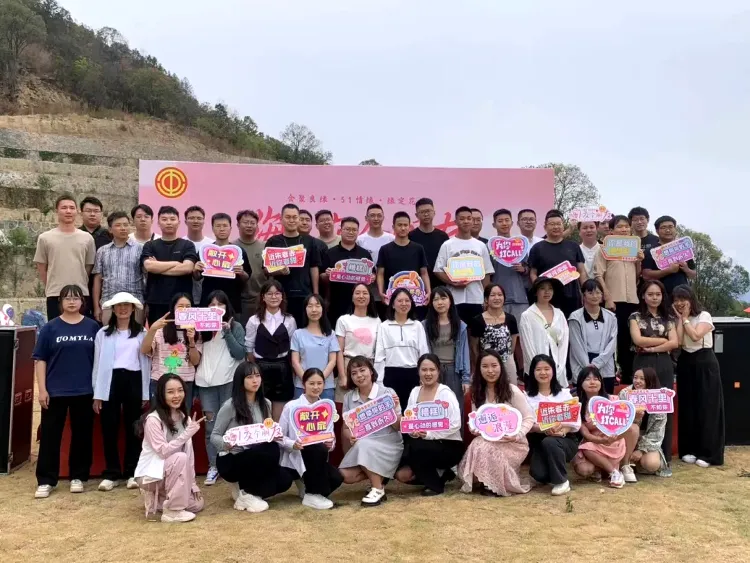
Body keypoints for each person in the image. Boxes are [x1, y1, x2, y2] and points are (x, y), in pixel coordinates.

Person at [32, 284, 100, 499]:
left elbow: (100, 360)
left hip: (84, 390)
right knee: (50, 436)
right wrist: (42, 389)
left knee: (82, 435)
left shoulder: (93, 327)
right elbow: (40, 360)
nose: (72, 302)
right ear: (60, 302)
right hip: (55, 391)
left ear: (82, 302)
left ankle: (78, 477)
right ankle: (46, 480)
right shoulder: (50, 328)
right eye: (67, 298)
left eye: (76, 298)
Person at [210, 362, 293, 513]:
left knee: (285, 479)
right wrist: (227, 443)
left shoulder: (266, 403)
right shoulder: (230, 406)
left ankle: (247, 492)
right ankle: (246, 491)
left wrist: (273, 435)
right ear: (240, 381)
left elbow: (267, 430)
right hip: (233, 457)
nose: (255, 380)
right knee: (268, 450)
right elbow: (214, 436)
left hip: (258, 456)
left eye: (257, 376)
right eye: (249, 377)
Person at [92, 292, 150, 492]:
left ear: (133, 309)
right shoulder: (103, 333)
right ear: (113, 309)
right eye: (119, 305)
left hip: (134, 379)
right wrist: (97, 393)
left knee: (133, 428)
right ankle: (112, 473)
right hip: (110, 381)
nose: (123, 309)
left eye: (127, 305)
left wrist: (145, 392)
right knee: (109, 427)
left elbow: (146, 363)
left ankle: (132, 472)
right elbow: (98, 364)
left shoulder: (141, 332)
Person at [458, 349, 533, 496]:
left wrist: (517, 435)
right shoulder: (476, 392)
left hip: (512, 442)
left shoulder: (512, 391)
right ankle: (486, 480)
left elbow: (529, 418)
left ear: (501, 367)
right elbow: (475, 419)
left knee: (484, 447)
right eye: (485, 366)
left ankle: (495, 485)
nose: (490, 371)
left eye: (494, 365)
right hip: (489, 439)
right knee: (478, 443)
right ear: (479, 369)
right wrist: (474, 428)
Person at [134, 374, 205, 523]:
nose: (176, 395)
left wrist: (192, 484)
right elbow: (163, 451)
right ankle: (172, 511)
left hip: (174, 471)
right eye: (170, 392)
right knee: (180, 458)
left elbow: (190, 455)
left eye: (180, 390)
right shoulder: (153, 420)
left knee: (197, 505)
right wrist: (186, 434)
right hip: (152, 474)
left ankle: (161, 500)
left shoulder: (185, 418)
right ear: (161, 394)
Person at [195, 290, 246, 486]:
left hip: (228, 382)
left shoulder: (235, 326)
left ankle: (231, 464)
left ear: (227, 307)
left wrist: (227, 331)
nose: (216, 308)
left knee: (229, 425)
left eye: (220, 304)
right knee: (210, 427)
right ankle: (213, 465)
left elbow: (240, 353)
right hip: (205, 383)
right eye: (212, 304)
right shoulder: (201, 327)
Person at [395, 354, 465, 496]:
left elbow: (455, 424)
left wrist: (429, 434)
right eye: (424, 370)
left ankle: (435, 485)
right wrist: (413, 431)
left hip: (449, 444)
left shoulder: (445, 393)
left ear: (438, 371)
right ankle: (442, 473)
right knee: (402, 474)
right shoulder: (415, 392)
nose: (428, 373)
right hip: (422, 443)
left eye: (432, 370)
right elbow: (409, 420)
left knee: (415, 447)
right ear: (418, 371)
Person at [339, 356, 404, 506]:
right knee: (346, 476)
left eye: (362, 370)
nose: (359, 375)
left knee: (363, 444)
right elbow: (346, 428)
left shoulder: (387, 393)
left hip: (388, 444)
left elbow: (398, 427)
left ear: (371, 371)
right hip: (363, 445)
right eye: (354, 373)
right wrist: (351, 436)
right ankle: (380, 477)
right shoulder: (348, 397)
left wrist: (393, 409)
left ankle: (377, 488)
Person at [672, 285, 724, 467]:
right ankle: (689, 449)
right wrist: (681, 319)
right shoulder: (678, 318)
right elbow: (679, 341)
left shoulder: (704, 316)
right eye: (676, 300)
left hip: (705, 361)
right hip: (686, 361)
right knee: (688, 406)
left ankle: (709, 453)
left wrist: (685, 318)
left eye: (682, 299)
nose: (679, 303)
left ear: (690, 299)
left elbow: (695, 336)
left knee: (707, 406)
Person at [279, 368, 344, 510]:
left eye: (319, 383)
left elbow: (330, 435)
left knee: (337, 478)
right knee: (316, 449)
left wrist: (331, 444)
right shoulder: (291, 406)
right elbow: (279, 436)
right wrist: (292, 444)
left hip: (319, 457)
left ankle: (310, 490)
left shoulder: (326, 408)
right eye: (312, 383)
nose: (316, 387)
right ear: (304, 384)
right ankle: (312, 494)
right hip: (297, 454)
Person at [629, 279, 678, 462]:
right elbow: (638, 340)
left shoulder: (668, 317)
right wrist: (663, 341)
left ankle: (663, 455)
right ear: (643, 296)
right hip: (642, 362)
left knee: (663, 406)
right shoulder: (635, 317)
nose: (654, 298)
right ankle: (635, 453)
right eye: (650, 294)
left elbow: (675, 343)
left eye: (658, 294)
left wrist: (654, 347)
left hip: (664, 363)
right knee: (640, 405)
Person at [594, 214, 643, 384]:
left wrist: (639, 261)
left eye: (626, 226)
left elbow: (637, 276)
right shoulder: (604, 249)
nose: (624, 229)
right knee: (613, 338)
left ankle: (629, 373)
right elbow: (598, 275)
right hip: (614, 300)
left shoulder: (633, 249)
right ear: (612, 230)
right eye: (620, 226)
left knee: (629, 338)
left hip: (632, 300)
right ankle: (612, 373)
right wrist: (607, 297)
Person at [34, 194, 96, 321]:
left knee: (80, 330)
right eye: (64, 208)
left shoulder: (87, 238)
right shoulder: (45, 238)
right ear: (57, 211)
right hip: (55, 294)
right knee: (56, 330)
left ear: (77, 211)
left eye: (72, 208)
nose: (68, 211)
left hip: (80, 294)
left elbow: (88, 266)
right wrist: (51, 285)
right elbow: (41, 267)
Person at [524, 355, 580, 495]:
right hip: (540, 439)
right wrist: (543, 429)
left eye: (547, 369)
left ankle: (562, 481)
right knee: (539, 474)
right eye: (538, 369)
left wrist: (563, 430)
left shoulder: (564, 394)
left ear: (553, 371)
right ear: (532, 372)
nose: (543, 373)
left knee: (551, 442)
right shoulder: (527, 397)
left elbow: (575, 422)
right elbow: (527, 424)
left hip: (566, 438)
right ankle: (552, 470)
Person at [244, 280, 297, 421]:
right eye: (270, 294)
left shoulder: (290, 320)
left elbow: (293, 347)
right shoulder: (254, 320)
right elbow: (249, 348)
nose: (274, 297)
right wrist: (255, 369)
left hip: (283, 369)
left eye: (277, 293)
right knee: (262, 413)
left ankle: (278, 435)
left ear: (282, 296)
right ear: (263, 297)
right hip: (261, 369)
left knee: (279, 416)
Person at [434, 206, 494, 326]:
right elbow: (438, 270)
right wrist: (452, 282)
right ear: (455, 222)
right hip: (454, 299)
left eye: (469, 218)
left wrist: (486, 298)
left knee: (476, 333)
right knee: (456, 331)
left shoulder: (481, 245)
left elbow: (486, 273)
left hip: (477, 298)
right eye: (462, 219)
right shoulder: (447, 245)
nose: (466, 221)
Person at [141, 292, 202, 410]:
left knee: (182, 419)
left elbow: (195, 361)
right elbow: (144, 350)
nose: (184, 310)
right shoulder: (160, 330)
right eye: (180, 306)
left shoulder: (196, 332)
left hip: (184, 384)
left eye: (188, 307)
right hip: (160, 382)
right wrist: (152, 329)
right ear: (173, 309)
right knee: (159, 418)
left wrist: (191, 341)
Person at [140, 206, 199, 325]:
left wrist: (158, 267)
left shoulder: (187, 245)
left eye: (172, 219)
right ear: (158, 223)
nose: (168, 222)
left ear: (179, 222)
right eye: (164, 219)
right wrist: (176, 263)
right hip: (156, 301)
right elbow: (149, 267)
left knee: (183, 333)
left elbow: (187, 268)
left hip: (182, 302)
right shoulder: (150, 245)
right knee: (157, 334)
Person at [265, 203, 321, 326]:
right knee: (282, 328)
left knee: (303, 327)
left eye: (295, 217)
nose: (292, 220)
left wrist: (315, 293)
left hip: (305, 294)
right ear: (281, 219)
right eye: (288, 217)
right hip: (280, 296)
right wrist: (279, 271)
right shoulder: (273, 241)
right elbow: (265, 270)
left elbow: (314, 267)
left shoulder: (310, 241)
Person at [572, 366, 627, 488]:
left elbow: (623, 424)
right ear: (580, 383)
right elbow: (586, 434)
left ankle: (612, 471)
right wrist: (601, 440)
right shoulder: (577, 405)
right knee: (586, 452)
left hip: (613, 441)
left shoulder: (613, 400)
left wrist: (611, 438)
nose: (592, 382)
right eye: (587, 379)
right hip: (594, 442)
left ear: (601, 382)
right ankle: (613, 472)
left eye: (596, 379)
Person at [374, 288, 430, 407]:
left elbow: (424, 354)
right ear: (392, 304)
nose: (404, 304)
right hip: (390, 375)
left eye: (407, 300)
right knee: (392, 411)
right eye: (400, 301)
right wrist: (379, 382)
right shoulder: (384, 326)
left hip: (413, 374)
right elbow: (379, 356)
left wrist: (423, 376)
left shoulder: (417, 325)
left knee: (412, 411)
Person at [528, 209, 587, 319]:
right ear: (545, 227)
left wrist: (585, 292)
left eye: (559, 224)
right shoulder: (537, 248)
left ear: (563, 226)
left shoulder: (573, 246)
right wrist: (539, 290)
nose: (556, 227)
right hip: (547, 298)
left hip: (572, 298)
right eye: (552, 224)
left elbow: (582, 271)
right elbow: (533, 273)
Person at [422, 287, 471, 413]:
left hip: (454, 371)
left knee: (455, 408)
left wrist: (466, 379)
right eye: (436, 299)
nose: (440, 302)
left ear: (450, 301)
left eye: (443, 298)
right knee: (434, 408)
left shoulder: (460, 325)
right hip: (433, 371)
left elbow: (465, 353)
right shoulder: (424, 325)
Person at [92, 211, 145, 325]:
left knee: (136, 334)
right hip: (108, 301)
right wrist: (96, 306)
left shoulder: (141, 249)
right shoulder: (102, 251)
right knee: (109, 333)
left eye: (126, 225)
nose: (123, 228)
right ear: (110, 229)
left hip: (135, 301)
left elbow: (146, 277)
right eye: (118, 225)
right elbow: (97, 279)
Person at [618, 367, 670, 479]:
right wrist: (635, 419)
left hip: (647, 439)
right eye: (635, 377)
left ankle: (635, 462)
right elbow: (618, 421)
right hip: (628, 436)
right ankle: (625, 463)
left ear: (650, 380)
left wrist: (641, 450)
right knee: (633, 428)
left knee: (651, 464)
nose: (637, 381)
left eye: (642, 379)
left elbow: (658, 431)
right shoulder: (624, 394)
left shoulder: (659, 397)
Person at [376, 211, 430, 319]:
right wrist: (381, 292)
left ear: (410, 227)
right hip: (392, 298)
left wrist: (428, 291)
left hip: (414, 298)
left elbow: (424, 272)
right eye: (399, 225)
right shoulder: (385, 249)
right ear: (393, 227)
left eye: (405, 225)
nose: (403, 228)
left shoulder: (418, 248)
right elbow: (380, 274)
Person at [321, 216, 375, 325]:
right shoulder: (330, 253)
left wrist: (372, 277)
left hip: (360, 302)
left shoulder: (364, 254)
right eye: (347, 229)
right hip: (336, 302)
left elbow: (373, 273)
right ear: (340, 230)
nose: (351, 232)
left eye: (354, 230)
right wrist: (327, 275)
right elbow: (321, 276)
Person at [195, 212, 251, 313]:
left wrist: (242, 272)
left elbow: (247, 277)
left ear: (230, 228)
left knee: (232, 323)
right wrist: (196, 270)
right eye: (218, 226)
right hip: (209, 299)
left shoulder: (238, 251)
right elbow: (197, 277)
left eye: (225, 226)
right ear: (213, 228)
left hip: (232, 300)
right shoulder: (205, 251)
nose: (222, 229)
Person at [335, 283, 381, 402]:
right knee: (345, 404)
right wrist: (342, 376)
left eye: (365, 293)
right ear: (352, 297)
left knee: (368, 405)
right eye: (357, 293)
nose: (361, 296)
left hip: (369, 365)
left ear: (370, 297)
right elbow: (338, 350)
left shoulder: (377, 321)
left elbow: (379, 350)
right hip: (349, 365)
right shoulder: (343, 320)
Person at [568, 280, 618, 391]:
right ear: (584, 295)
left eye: (598, 293)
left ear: (602, 295)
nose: (595, 296)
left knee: (605, 398)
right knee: (583, 398)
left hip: (605, 365)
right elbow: (576, 345)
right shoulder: (575, 317)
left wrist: (597, 363)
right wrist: (588, 366)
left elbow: (612, 343)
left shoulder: (611, 317)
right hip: (582, 364)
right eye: (590, 293)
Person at [519, 277, 569, 386]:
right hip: (535, 370)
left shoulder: (559, 314)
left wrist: (559, 366)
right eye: (542, 288)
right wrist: (538, 368)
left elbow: (564, 343)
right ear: (536, 292)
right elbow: (527, 346)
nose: (547, 292)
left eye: (550, 288)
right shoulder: (527, 315)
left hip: (557, 366)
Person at [291, 294, 340, 401]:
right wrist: (307, 382)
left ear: (323, 309)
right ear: (305, 309)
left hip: (326, 387)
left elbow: (332, 361)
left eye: (317, 306)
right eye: (310, 306)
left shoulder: (330, 334)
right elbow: (295, 362)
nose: (314, 310)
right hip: (302, 386)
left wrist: (319, 381)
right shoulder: (297, 334)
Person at [468, 283, 519, 384]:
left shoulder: (511, 319)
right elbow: (474, 348)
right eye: (493, 295)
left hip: (507, 361)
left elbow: (513, 344)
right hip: (487, 363)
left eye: (500, 295)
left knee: (511, 389)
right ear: (486, 299)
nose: (497, 298)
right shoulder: (477, 320)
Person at [641, 215, 697, 296]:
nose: (667, 230)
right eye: (663, 227)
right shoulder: (651, 251)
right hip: (660, 296)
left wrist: (686, 269)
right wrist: (668, 270)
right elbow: (646, 275)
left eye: (671, 227)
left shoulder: (683, 248)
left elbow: (693, 275)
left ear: (675, 229)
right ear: (657, 231)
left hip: (683, 295)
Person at [357, 203, 395, 319]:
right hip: (366, 291)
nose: (376, 218)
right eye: (372, 215)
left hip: (387, 290)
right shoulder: (360, 240)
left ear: (383, 217)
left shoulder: (391, 239)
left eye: (379, 215)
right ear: (366, 218)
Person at [490, 208, 529, 319]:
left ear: (512, 223)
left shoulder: (520, 244)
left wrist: (523, 269)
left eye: (507, 220)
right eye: (500, 221)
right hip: (497, 299)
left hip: (519, 298)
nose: (504, 223)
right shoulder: (490, 246)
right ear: (494, 225)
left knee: (520, 329)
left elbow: (529, 269)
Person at [233, 209, 267, 326]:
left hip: (261, 298)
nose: (249, 225)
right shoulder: (232, 247)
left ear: (257, 225)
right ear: (238, 225)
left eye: (252, 223)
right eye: (245, 222)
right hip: (239, 300)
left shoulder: (265, 246)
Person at [409, 197, 449, 293]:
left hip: (440, 286)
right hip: (417, 287)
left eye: (428, 211)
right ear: (416, 215)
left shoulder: (443, 236)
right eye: (422, 212)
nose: (426, 214)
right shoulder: (410, 236)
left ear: (434, 212)